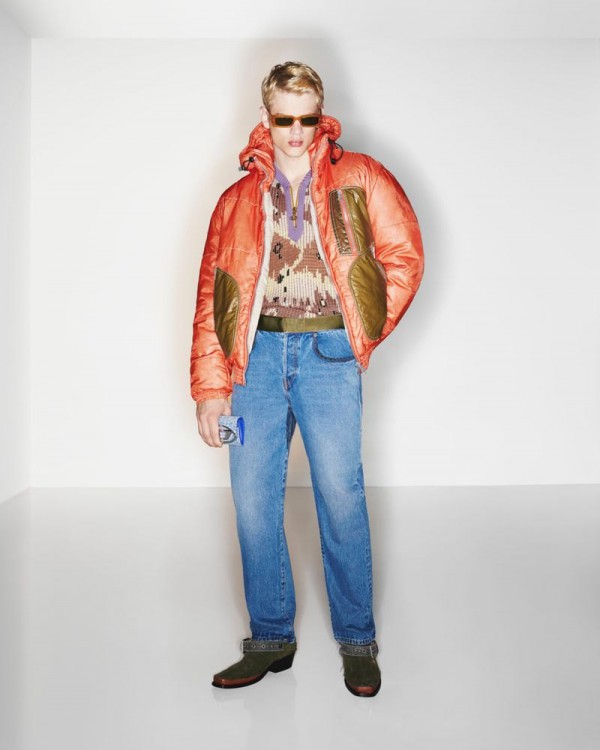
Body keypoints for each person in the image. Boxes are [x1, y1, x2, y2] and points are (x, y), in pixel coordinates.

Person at [190, 61, 424, 697]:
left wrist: (359, 330)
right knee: (252, 501)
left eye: (308, 117)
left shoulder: (359, 176)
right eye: (284, 119)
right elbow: (212, 295)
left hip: (328, 358)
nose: (297, 131)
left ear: (322, 115)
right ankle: (270, 638)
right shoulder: (236, 200)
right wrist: (211, 390)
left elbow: (404, 256)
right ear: (266, 118)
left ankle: (357, 640)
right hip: (255, 364)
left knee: (341, 497)